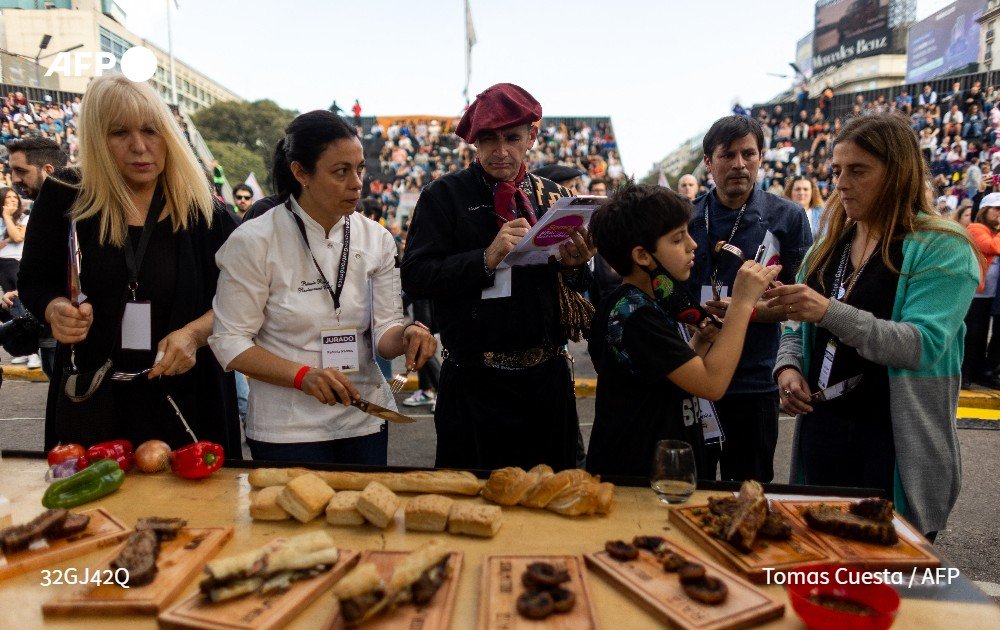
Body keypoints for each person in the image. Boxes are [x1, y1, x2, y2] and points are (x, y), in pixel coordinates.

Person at [769, 112, 980, 539]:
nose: (841, 183)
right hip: (823, 434)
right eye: (837, 171)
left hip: (894, 444)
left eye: (858, 170)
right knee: (821, 570)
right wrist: (788, 367)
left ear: (898, 173)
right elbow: (795, 321)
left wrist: (828, 311)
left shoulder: (944, 249)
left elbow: (920, 346)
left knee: (893, 587)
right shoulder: (828, 246)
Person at [17, 74, 242, 454]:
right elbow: (34, 280)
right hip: (93, 398)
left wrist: (195, 334)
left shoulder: (201, 204)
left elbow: (242, 295)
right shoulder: (66, 195)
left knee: (198, 509)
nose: (140, 147)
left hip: (187, 398)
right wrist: (55, 309)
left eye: (151, 131)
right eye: (119, 133)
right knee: (93, 511)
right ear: (95, 138)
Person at [209, 110, 437, 464]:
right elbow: (231, 342)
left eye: (359, 169)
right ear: (301, 173)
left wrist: (409, 333)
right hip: (287, 427)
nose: (357, 183)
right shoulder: (254, 240)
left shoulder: (376, 238)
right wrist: (303, 376)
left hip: (364, 418)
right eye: (341, 171)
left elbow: (385, 332)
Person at [401, 83, 595, 471]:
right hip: (476, 383)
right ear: (474, 142)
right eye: (488, 139)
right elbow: (416, 276)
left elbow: (574, 288)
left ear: (532, 137)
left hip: (548, 380)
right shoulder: (445, 195)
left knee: (553, 505)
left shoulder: (554, 197)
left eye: (512, 137)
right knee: (473, 505)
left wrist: (576, 265)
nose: (501, 150)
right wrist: (484, 259)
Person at [585, 183, 779, 477]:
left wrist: (700, 341)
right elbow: (711, 385)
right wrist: (743, 304)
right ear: (642, 256)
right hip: (641, 479)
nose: (693, 245)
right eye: (678, 239)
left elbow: (664, 376)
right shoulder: (634, 315)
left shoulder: (641, 302)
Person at [687, 115, 813, 482]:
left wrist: (747, 312)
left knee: (749, 488)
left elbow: (799, 301)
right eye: (728, 155)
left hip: (755, 381)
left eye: (749, 153)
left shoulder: (786, 217)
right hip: (694, 374)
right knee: (693, 489)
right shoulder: (687, 216)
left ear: (761, 157)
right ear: (709, 162)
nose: (739, 164)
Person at [5, 138, 70, 377]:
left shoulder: (77, 212)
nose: (15, 180)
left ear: (48, 170)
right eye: (12, 171)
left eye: (21, 171)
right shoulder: (45, 211)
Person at [961, 192, 1000, 389]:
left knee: (980, 335)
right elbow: (991, 246)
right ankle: (964, 374)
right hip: (974, 294)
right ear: (985, 210)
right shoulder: (975, 228)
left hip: (988, 296)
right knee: (971, 336)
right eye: (996, 209)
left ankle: (975, 372)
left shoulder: (994, 232)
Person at [0, 186, 41, 370]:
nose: (12, 201)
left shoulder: (25, 218)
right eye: (8, 198)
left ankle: (33, 352)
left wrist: (7, 217)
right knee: (12, 309)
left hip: (17, 265)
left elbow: (17, 237)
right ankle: (25, 351)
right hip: (3, 267)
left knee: (23, 307)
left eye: (14, 197)